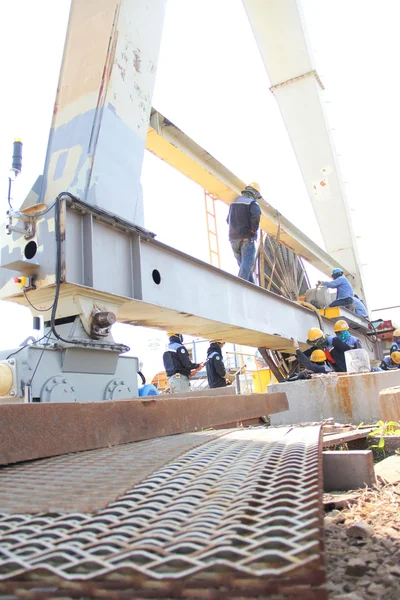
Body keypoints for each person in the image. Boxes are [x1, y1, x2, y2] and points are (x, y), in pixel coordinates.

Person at [227, 182, 262, 283]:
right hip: (246, 238)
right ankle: (239, 284)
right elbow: (256, 216)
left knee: (244, 265)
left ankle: (252, 287)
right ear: (255, 194)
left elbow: (228, 220)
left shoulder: (234, 203)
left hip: (233, 239)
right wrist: (253, 230)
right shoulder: (252, 203)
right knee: (247, 262)